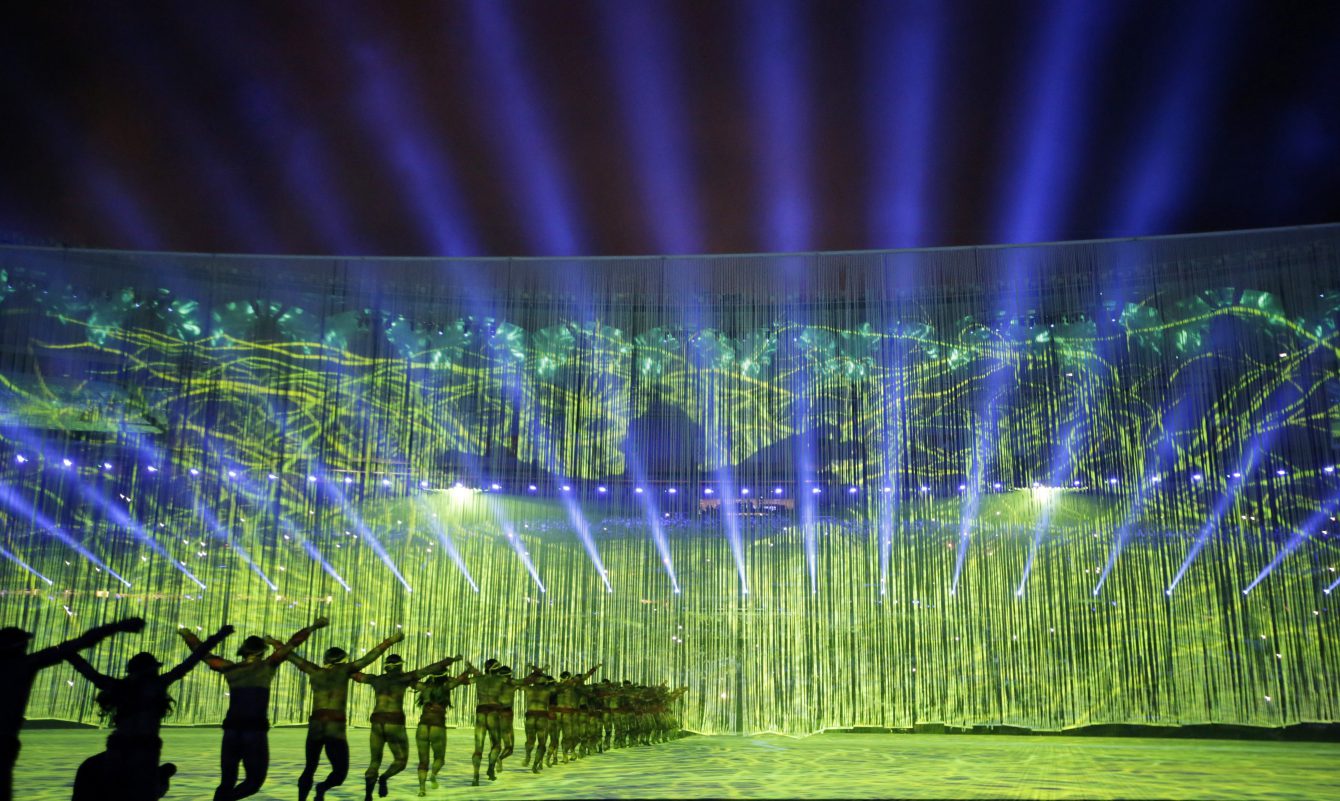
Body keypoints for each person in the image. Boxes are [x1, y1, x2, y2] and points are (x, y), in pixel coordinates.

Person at [68, 624, 234, 801]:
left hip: (119, 751)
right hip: (143, 754)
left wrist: (68, 653)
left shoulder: (120, 687)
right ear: (151, 670)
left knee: (94, 775)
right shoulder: (155, 686)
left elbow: (90, 673)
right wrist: (218, 636)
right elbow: (191, 661)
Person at [178, 617, 329, 801]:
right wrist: (314, 626)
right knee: (255, 781)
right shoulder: (266, 667)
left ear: (243, 650)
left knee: (227, 781)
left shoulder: (231, 668)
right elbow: (291, 645)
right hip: (254, 730)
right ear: (262, 651)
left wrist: (188, 635)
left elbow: (202, 654)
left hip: (232, 730)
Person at [0, 617, 145, 801]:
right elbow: (79, 644)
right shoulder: (24, 665)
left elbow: (78, 654)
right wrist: (118, 626)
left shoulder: (24, 664)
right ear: (16, 647)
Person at [268, 630, 404, 801]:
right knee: (340, 773)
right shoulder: (344, 670)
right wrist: (390, 641)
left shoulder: (314, 671)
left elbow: (290, 655)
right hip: (335, 727)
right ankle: (322, 788)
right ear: (342, 660)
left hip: (316, 725)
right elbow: (369, 657)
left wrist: (275, 643)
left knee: (310, 767)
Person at [352, 651, 461, 801]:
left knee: (374, 762)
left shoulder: (376, 679)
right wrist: (450, 660)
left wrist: (340, 669)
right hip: (394, 722)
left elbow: (356, 676)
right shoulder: (404, 678)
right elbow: (428, 669)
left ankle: (368, 795)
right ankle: (383, 779)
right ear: (399, 667)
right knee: (400, 761)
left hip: (377, 722)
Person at [465, 660, 545, 785]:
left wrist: (468, 670)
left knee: (478, 748)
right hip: (493, 713)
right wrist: (536, 672)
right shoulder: (501, 680)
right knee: (496, 746)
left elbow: (464, 681)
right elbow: (523, 681)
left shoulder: (478, 678)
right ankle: (491, 768)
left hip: (480, 713)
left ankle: (475, 777)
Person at [412, 665, 471, 796]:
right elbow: (460, 679)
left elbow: (411, 682)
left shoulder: (424, 687)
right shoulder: (446, 687)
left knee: (423, 761)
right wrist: (468, 670)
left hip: (422, 726)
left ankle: (422, 789)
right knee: (439, 758)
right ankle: (433, 775)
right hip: (437, 726)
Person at [553, 664, 600, 763]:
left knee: (569, 736)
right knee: (569, 736)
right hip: (568, 715)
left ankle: (567, 753)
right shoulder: (571, 685)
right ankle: (564, 754)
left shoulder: (559, 686)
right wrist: (593, 669)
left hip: (562, 714)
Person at [519, 670, 556, 773]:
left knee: (530, 741)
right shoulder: (548, 690)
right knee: (542, 743)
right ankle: (535, 765)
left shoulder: (528, 689)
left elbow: (521, 683)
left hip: (530, 717)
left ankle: (527, 756)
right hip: (542, 718)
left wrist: (532, 675)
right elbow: (560, 687)